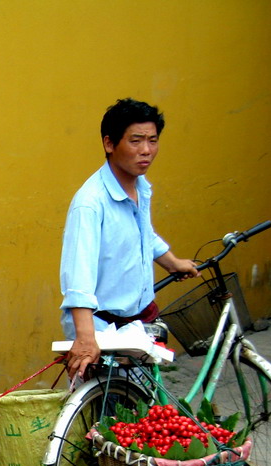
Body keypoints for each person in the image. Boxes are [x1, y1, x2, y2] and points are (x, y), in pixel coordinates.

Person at [59, 98, 198, 379]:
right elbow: (78, 277)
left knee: (139, 412)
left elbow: (142, 233)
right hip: (102, 329)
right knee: (109, 416)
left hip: (137, 323)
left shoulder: (140, 187)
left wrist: (171, 262)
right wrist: (86, 340)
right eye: (135, 141)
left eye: (152, 140)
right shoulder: (91, 203)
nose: (146, 151)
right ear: (110, 144)